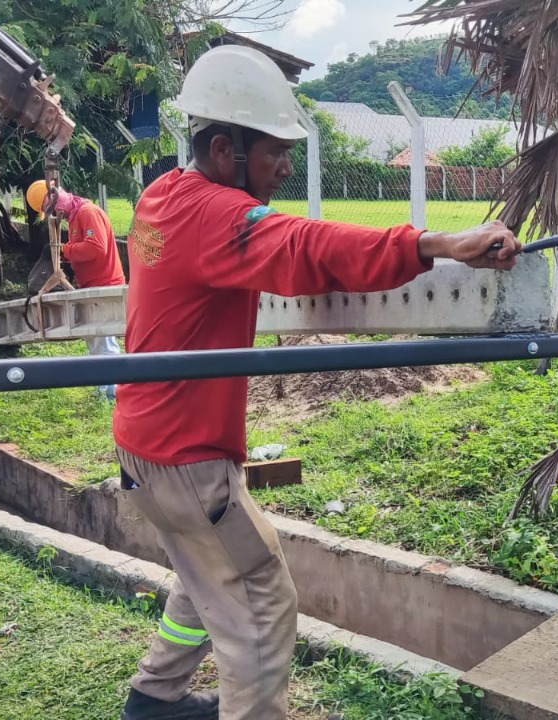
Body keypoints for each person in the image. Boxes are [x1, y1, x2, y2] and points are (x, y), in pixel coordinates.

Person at [111, 44, 522, 720]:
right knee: (259, 592)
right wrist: (437, 243)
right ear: (222, 150)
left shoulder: (162, 196)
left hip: (145, 443)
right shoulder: (213, 213)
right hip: (185, 457)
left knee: (204, 571)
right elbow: (306, 249)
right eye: (272, 150)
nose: (283, 165)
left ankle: (154, 700)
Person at [26, 179, 125, 399]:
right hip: (93, 284)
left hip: (104, 284)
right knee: (94, 337)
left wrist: (64, 250)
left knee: (103, 338)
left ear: (52, 198)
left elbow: (96, 248)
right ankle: (105, 386)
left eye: (48, 209)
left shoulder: (87, 213)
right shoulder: (75, 216)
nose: (52, 214)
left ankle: (113, 389)